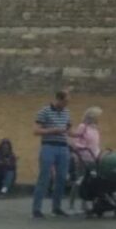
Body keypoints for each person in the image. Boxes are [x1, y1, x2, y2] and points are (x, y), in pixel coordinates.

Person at [31, 89, 71, 219]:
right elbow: (36, 131)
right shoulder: (45, 111)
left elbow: (69, 130)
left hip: (63, 147)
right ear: (59, 99)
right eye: (65, 101)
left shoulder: (66, 112)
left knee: (61, 178)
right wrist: (53, 130)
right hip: (49, 146)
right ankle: (36, 208)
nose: (67, 104)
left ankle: (56, 207)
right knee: (44, 177)